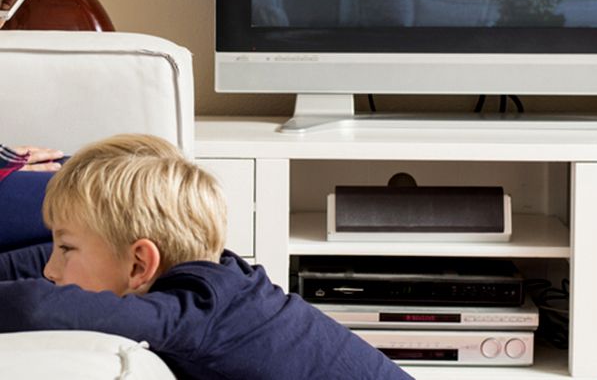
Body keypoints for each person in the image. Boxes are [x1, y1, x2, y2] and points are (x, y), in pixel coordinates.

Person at [0, 134, 412, 380]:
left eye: (66, 249)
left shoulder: (197, 312)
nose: (51, 270)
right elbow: (36, 263)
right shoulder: (216, 278)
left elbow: (35, 307)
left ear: (140, 265)